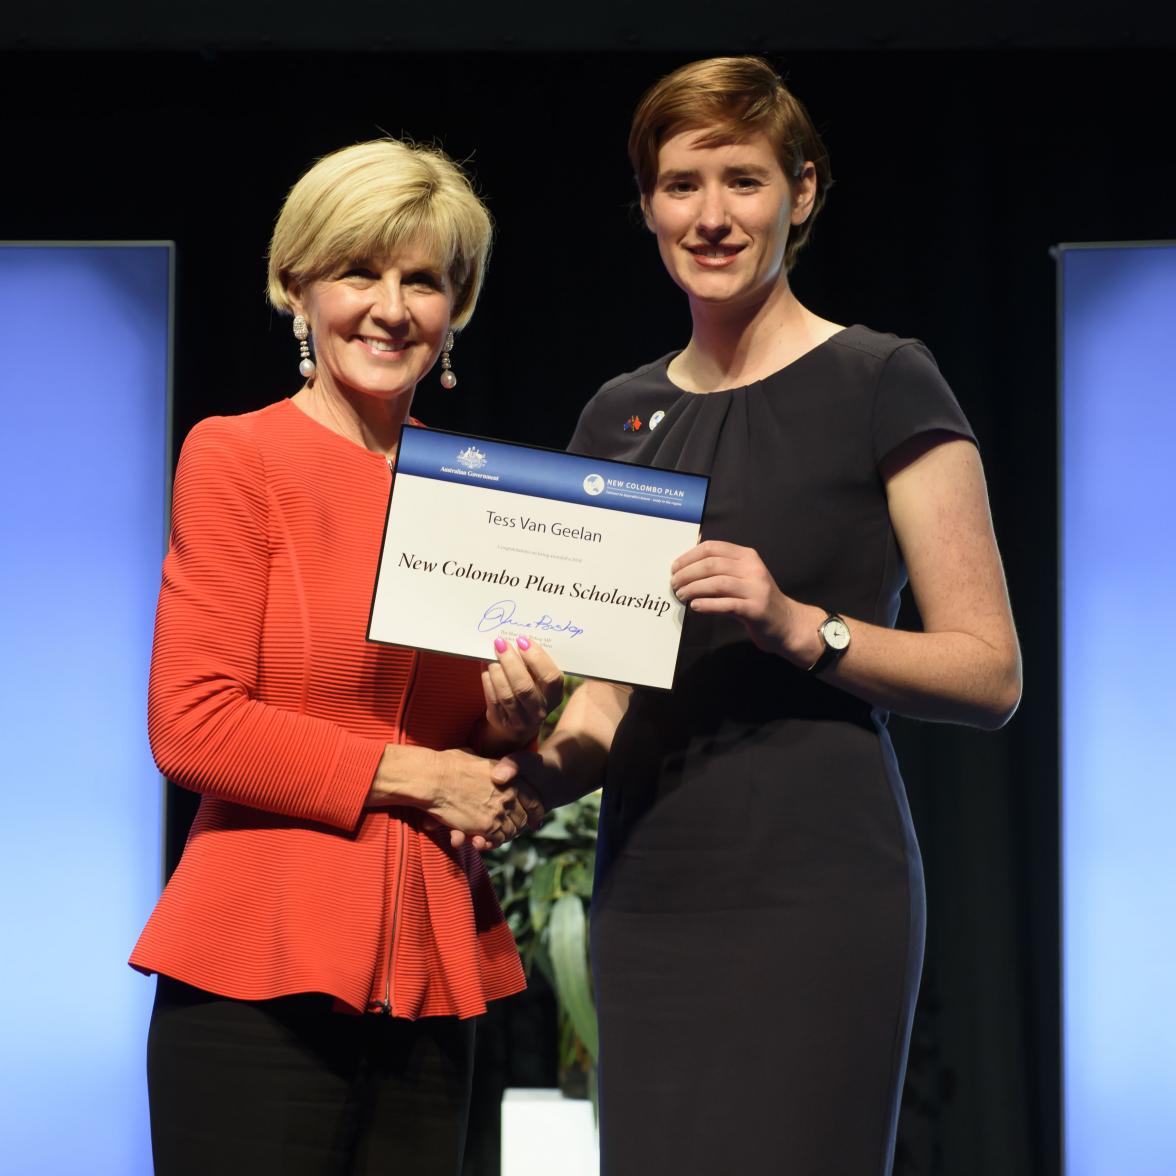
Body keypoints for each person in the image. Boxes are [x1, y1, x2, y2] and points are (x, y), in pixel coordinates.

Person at [495, 57, 1022, 1175]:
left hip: (820, 889)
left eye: (744, 180)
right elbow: (603, 709)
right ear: (646, 206)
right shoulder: (617, 414)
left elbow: (989, 673)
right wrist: (527, 752)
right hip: (648, 894)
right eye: (682, 185)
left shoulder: (886, 379)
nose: (713, 215)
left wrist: (802, 625)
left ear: (805, 192)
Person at [130, 138, 560, 1176]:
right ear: (296, 286)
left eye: (424, 281)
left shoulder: (476, 499)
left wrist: (516, 723)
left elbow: (464, 746)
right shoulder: (238, 456)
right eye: (359, 271)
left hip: (429, 967)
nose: (391, 306)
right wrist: (425, 776)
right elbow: (192, 722)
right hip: (255, 968)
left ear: (457, 310)